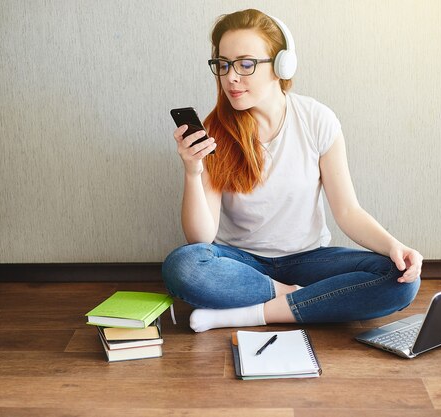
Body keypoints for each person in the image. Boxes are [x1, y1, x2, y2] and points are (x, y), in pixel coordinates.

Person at [163, 9, 422, 333]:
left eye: (245, 64)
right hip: (241, 265)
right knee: (183, 266)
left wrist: (393, 246)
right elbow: (200, 238)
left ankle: (248, 314)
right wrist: (191, 171)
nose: (230, 77)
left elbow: (347, 211)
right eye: (223, 64)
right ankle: (297, 301)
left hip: (309, 260)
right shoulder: (215, 130)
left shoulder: (317, 120)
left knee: (401, 279)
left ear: (281, 66)